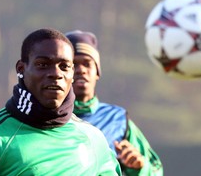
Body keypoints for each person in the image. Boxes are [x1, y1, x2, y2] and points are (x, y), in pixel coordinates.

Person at [0, 28, 122, 176]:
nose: (56, 74)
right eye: (43, 64)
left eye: (64, 66)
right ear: (21, 69)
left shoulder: (94, 139)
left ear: (72, 73)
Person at [66, 30, 163, 176]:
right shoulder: (46, 119)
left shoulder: (117, 119)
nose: (81, 70)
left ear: (97, 72)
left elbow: (156, 171)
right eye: (73, 65)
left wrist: (138, 168)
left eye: (87, 64)